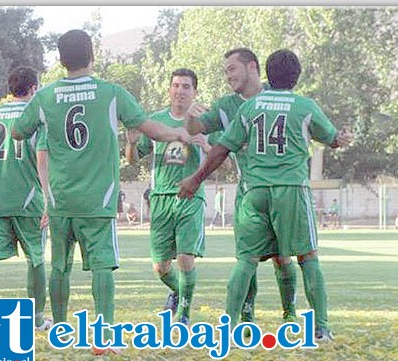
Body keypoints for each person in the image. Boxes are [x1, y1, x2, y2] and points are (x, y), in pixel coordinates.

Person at [12, 29, 190, 355]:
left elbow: (17, 131)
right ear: (92, 55)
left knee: (60, 267)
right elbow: (149, 128)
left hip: (61, 198)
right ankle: (103, 337)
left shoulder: (45, 97)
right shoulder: (110, 92)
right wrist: (178, 132)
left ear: (60, 59)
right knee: (103, 266)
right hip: (99, 197)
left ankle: (62, 333)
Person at [179, 49, 353, 341]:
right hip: (291, 190)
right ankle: (321, 327)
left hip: (254, 192)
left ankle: (230, 326)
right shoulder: (305, 106)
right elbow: (332, 138)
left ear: (265, 73)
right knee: (307, 257)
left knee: (246, 261)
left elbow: (222, 148)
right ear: (296, 77)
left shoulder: (249, 108)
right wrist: (342, 138)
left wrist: (196, 179)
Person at [185, 48, 297, 325]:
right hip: (249, 192)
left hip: (283, 189)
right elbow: (194, 128)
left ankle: (290, 313)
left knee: (283, 257)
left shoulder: (280, 93)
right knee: (248, 259)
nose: (228, 76)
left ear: (252, 67)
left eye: (232, 69)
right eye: (226, 71)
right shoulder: (225, 105)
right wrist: (190, 116)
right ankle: (246, 319)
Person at [0, 67, 52, 332]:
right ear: (34, 88)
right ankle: (36, 319)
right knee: (36, 257)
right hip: (27, 197)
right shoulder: (38, 116)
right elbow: (42, 157)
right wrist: (49, 197)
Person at [125, 68, 210, 325]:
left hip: (190, 196)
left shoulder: (206, 121)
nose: (180, 91)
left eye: (186, 87)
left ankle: (183, 315)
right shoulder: (156, 120)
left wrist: (207, 145)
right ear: (169, 90)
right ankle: (178, 291)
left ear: (194, 91)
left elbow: (224, 161)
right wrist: (130, 143)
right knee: (160, 267)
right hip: (160, 197)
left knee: (185, 257)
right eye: (176, 86)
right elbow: (133, 160)